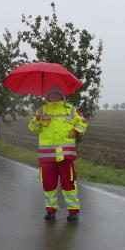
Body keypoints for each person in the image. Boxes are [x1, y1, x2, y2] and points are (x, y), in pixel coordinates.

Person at [27, 86, 88, 221]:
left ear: (62, 95)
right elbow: (32, 128)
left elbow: (83, 122)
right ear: (47, 95)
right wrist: (38, 118)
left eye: (57, 93)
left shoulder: (71, 109)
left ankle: (73, 211)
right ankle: (50, 210)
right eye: (51, 93)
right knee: (48, 183)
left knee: (68, 182)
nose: (54, 95)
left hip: (65, 154)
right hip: (47, 155)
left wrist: (76, 131)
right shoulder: (41, 110)